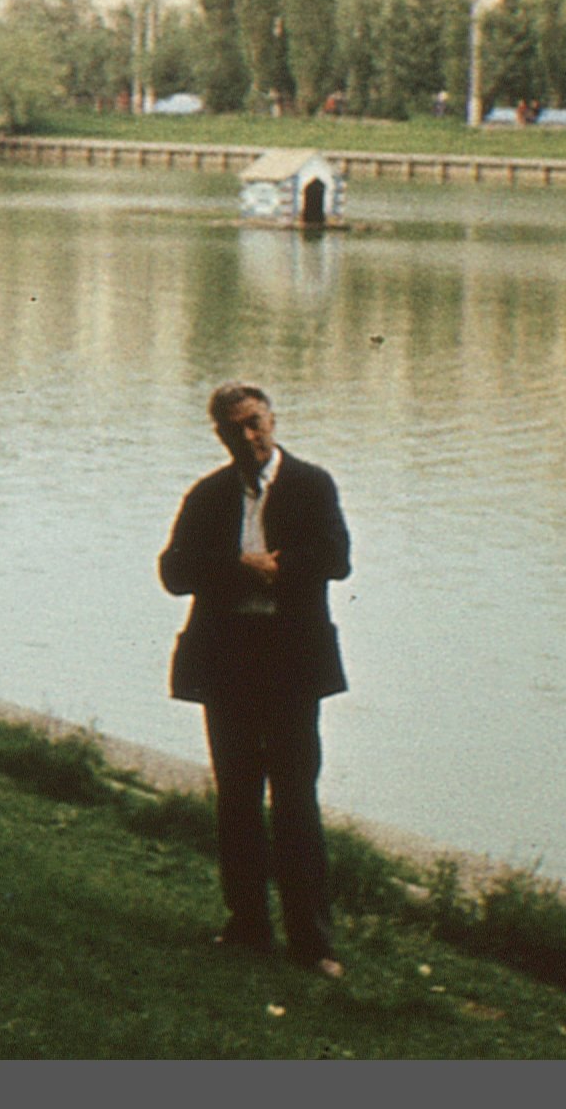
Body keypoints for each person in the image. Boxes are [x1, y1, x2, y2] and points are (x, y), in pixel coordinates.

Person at [157, 381, 351, 975]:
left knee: (295, 798)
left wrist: (280, 567)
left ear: (272, 419)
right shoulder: (210, 495)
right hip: (229, 659)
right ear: (219, 434)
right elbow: (173, 571)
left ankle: (312, 942)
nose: (249, 437)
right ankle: (246, 926)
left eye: (256, 422)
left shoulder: (312, 485)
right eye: (235, 428)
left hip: (290, 661)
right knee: (237, 797)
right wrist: (236, 565)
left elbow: (336, 559)